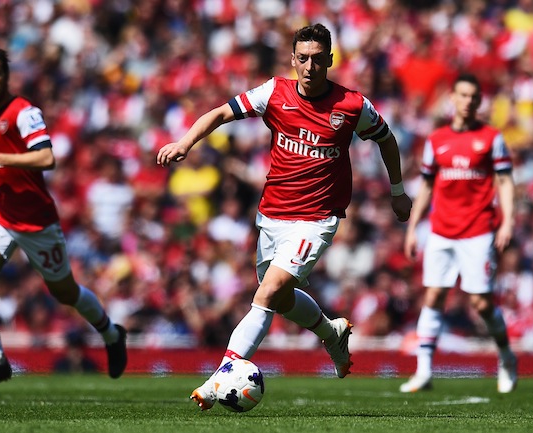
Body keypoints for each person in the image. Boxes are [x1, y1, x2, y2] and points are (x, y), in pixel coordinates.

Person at [157, 23, 412, 410]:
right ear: (293, 60)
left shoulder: (352, 105)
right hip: (272, 216)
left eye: (318, 59)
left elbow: (387, 139)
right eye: (303, 58)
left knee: (267, 293)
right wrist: (185, 142)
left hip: (316, 220)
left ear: (330, 60)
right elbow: (222, 112)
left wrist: (397, 191)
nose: (310, 67)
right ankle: (331, 333)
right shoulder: (274, 93)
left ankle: (220, 377)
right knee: (280, 296)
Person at [0, 45, 127, 393]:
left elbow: (46, 158)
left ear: (6, 76)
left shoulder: (25, 113)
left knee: (64, 292)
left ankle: (112, 334)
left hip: (36, 221)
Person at [400, 73, 517, 394]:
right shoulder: (436, 140)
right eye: (463, 95)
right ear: (452, 98)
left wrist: (507, 221)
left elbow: (505, 181)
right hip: (441, 230)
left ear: (479, 101)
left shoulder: (491, 138)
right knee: (433, 295)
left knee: (481, 303)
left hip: (478, 230)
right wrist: (413, 228)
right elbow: (426, 186)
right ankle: (423, 370)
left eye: (473, 97)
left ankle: (506, 356)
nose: (468, 102)